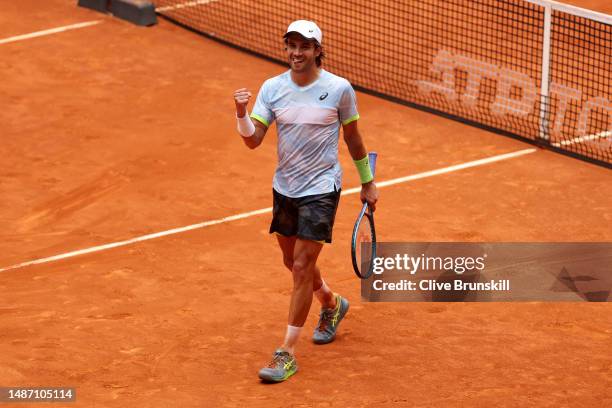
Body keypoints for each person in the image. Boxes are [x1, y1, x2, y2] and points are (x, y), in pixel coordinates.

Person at [232, 20, 378, 382]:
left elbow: (354, 139)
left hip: (322, 187)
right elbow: (254, 140)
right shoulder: (273, 88)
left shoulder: (339, 89)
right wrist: (240, 114)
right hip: (285, 188)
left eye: (304, 47)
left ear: (317, 51)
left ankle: (286, 354)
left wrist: (367, 183)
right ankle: (331, 303)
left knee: (300, 266)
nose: (297, 53)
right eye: (292, 46)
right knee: (289, 259)